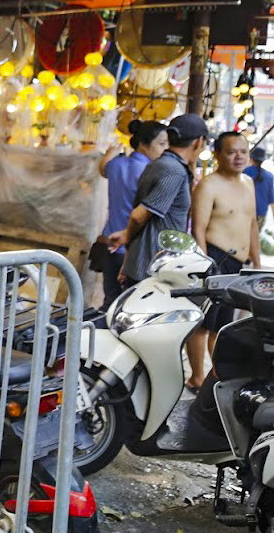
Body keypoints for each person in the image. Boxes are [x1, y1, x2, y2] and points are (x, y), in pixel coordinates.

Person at [188, 131, 262, 387]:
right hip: (214, 257)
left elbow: (252, 223)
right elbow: (198, 229)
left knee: (222, 325)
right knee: (203, 324)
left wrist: (256, 261)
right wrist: (205, 264)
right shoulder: (209, 185)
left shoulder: (248, 182)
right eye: (231, 152)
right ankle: (197, 377)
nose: (239, 156)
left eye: (243, 151)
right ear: (217, 155)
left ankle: (216, 376)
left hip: (237, 263)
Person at [108, 113, 211, 286]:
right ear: (198, 142)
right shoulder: (174, 171)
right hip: (153, 270)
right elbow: (138, 216)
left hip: (143, 264)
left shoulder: (157, 164)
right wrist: (126, 237)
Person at [97, 120, 168, 306]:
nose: (165, 150)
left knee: (110, 302)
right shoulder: (151, 172)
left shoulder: (116, 164)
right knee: (131, 306)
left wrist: (113, 149)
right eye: (161, 144)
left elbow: (102, 167)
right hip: (134, 250)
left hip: (110, 244)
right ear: (143, 144)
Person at [246, 146, 272, 231]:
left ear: (251, 159)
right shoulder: (270, 176)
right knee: (255, 237)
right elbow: (272, 200)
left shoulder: (244, 172)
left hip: (245, 212)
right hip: (261, 215)